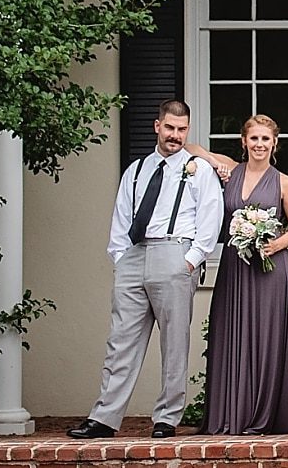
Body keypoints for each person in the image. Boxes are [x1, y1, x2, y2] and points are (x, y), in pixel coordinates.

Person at [69, 98, 225, 440]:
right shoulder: (137, 170)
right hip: (135, 255)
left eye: (182, 129)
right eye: (169, 127)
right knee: (120, 341)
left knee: (174, 344)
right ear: (157, 126)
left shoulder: (199, 170)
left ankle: (167, 417)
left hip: (175, 252)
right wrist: (121, 258)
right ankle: (104, 418)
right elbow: (122, 217)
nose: (175, 135)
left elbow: (210, 218)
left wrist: (191, 259)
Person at [202, 115, 288, 435]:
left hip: (270, 270)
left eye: (266, 139)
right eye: (254, 139)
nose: (260, 144)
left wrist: (275, 245)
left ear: (274, 143)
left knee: (265, 340)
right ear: (244, 142)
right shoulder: (230, 171)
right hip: (235, 268)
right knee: (233, 336)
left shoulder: (284, 183)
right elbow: (191, 148)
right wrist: (211, 160)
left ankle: (262, 416)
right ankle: (230, 415)